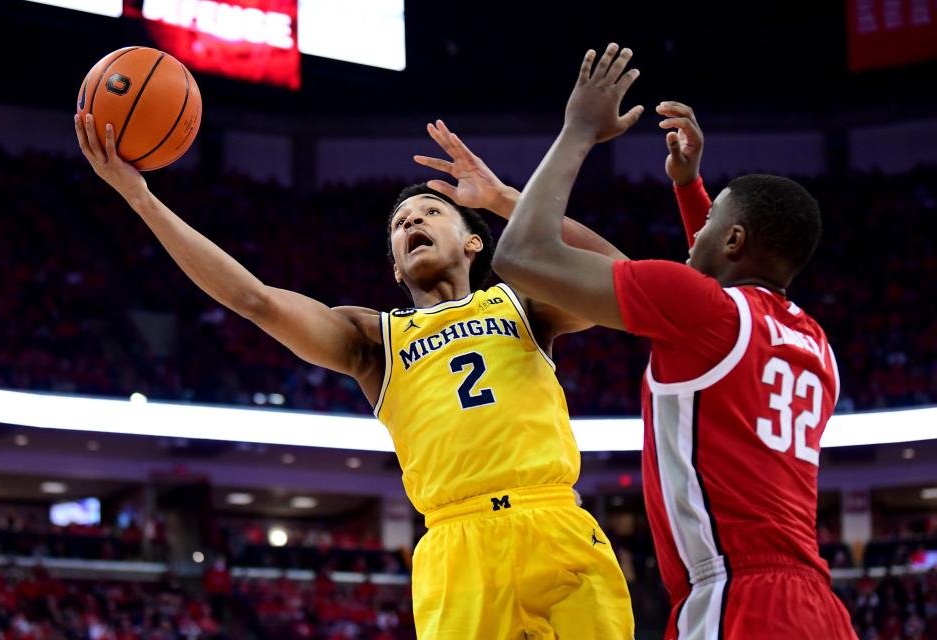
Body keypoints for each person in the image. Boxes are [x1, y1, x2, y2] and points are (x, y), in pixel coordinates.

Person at [73, 113, 634, 638]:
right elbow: (254, 299)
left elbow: (622, 279)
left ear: (473, 241)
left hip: (554, 519)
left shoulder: (524, 306)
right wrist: (140, 197)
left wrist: (506, 199)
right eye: (401, 223)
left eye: (431, 213)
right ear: (395, 265)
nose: (413, 220)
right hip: (456, 543)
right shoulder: (375, 341)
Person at [493, 43, 855, 639]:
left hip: (737, 599)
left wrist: (578, 130)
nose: (697, 231)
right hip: (818, 605)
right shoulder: (813, 342)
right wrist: (689, 188)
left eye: (710, 222)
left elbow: (521, 254)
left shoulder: (705, 313)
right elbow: (721, 290)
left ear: (735, 240)